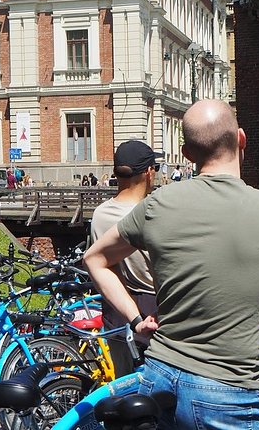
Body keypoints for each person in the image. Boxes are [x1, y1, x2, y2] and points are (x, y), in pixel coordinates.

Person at [85, 100, 259, 429]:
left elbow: (95, 259)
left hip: (158, 379)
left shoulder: (158, 204)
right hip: (227, 394)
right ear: (242, 139)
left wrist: (135, 319)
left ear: (187, 154)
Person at [90, 140, 160, 377]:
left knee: (123, 384)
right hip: (152, 309)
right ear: (149, 172)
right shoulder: (151, 214)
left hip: (115, 311)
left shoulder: (100, 214)